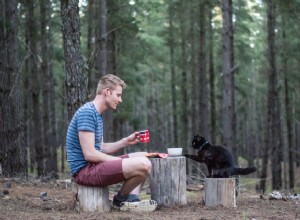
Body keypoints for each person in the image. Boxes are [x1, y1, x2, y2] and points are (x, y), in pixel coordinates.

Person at [66, 74, 157, 212]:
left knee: (145, 156)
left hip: (94, 166)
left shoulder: (97, 113)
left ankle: (131, 199)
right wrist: (117, 162)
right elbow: (90, 154)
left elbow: (101, 148)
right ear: (107, 92)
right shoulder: (87, 113)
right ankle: (120, 200)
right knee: (143, 164)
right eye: (118, 95)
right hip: (84, 171)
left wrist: (126, 141)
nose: (120, 100)